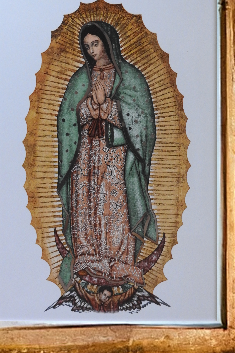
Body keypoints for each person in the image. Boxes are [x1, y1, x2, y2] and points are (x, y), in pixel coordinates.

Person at [55, 20, 158, 303]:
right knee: (87, 201)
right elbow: (66, 118)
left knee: (113, 203)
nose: (92, 51)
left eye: (96, 44)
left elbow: (143, 121)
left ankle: (118, 262)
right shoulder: (81, 78)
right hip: (85, 154)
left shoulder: (130, 77)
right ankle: (88, 258)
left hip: (115, 154)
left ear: (107, 42)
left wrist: (110, 107)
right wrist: (88, 108)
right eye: (87, 46)